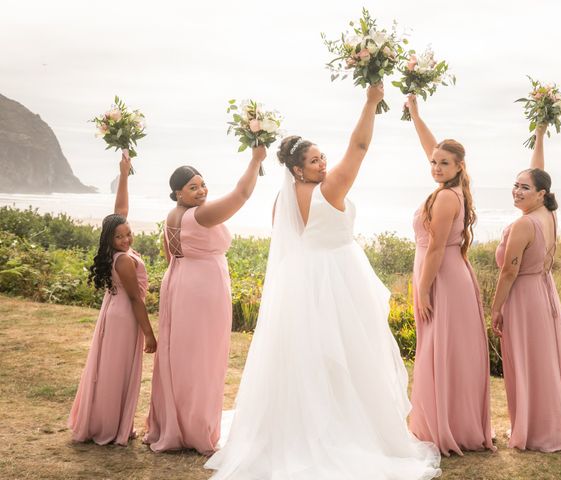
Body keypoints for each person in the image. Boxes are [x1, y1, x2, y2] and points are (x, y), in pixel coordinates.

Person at [205, 84, 441, 479]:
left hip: (299, 284)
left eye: (322, 157)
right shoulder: (329, 191)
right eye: (315, 160)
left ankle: (299, 427)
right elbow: (360, 148)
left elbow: (291, 240)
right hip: (335, 280)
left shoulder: (284, 199)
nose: (323, 163)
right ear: (298, 169)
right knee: (346, 356)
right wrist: (370, 102)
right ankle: (343, 433)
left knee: (307, 359)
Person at [144, 146, 266, 455]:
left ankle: (174, 424)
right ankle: (198, 431)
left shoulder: (173, 216)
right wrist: (255, 160)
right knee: (203, 357)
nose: (201, 191)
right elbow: (241, 194)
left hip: (179, 282)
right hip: (202, 289)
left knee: (180, 355)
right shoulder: (200, 215)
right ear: (178, 193)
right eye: (192, 187)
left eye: (202, 184)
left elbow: (170, 254)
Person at [404, 95, 494, 456]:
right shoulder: (453, 187)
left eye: (444, 163)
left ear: (458, 167)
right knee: (448, 351)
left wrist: (423, 290)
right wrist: (415, 114)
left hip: (441, 277)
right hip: (450, 274)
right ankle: (454, 420)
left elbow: (437, 248)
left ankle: (443, 426)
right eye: (434, 163)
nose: (436, 167)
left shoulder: (445, 199)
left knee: (441, 350)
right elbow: (432, 147)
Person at [491, 124, 561, 452]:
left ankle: (534, 430)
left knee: (527, 362)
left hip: (524, 297)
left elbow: (508, 273)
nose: (517, 192)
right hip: (545, 292)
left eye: (524, 188)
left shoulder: (524, 224)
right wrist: (540, 136)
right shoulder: (549, 213)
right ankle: (546, 425)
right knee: (544, 361)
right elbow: (540, 172)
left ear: (540, 194)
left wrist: (495, 308)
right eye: (515, 186)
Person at [68, 151, 156, 445]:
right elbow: (135, 300)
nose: (127, 239)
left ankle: (114, 422)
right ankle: (109, 426)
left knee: (112, 369)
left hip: (114, 310)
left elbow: (120, 210)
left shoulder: (116, 247)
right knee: (115, 372)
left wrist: (124, 173)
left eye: (129, 234)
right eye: (120, 237)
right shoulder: (123, 262)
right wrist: (149, 335)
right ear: (110, 240)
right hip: (124, 317)